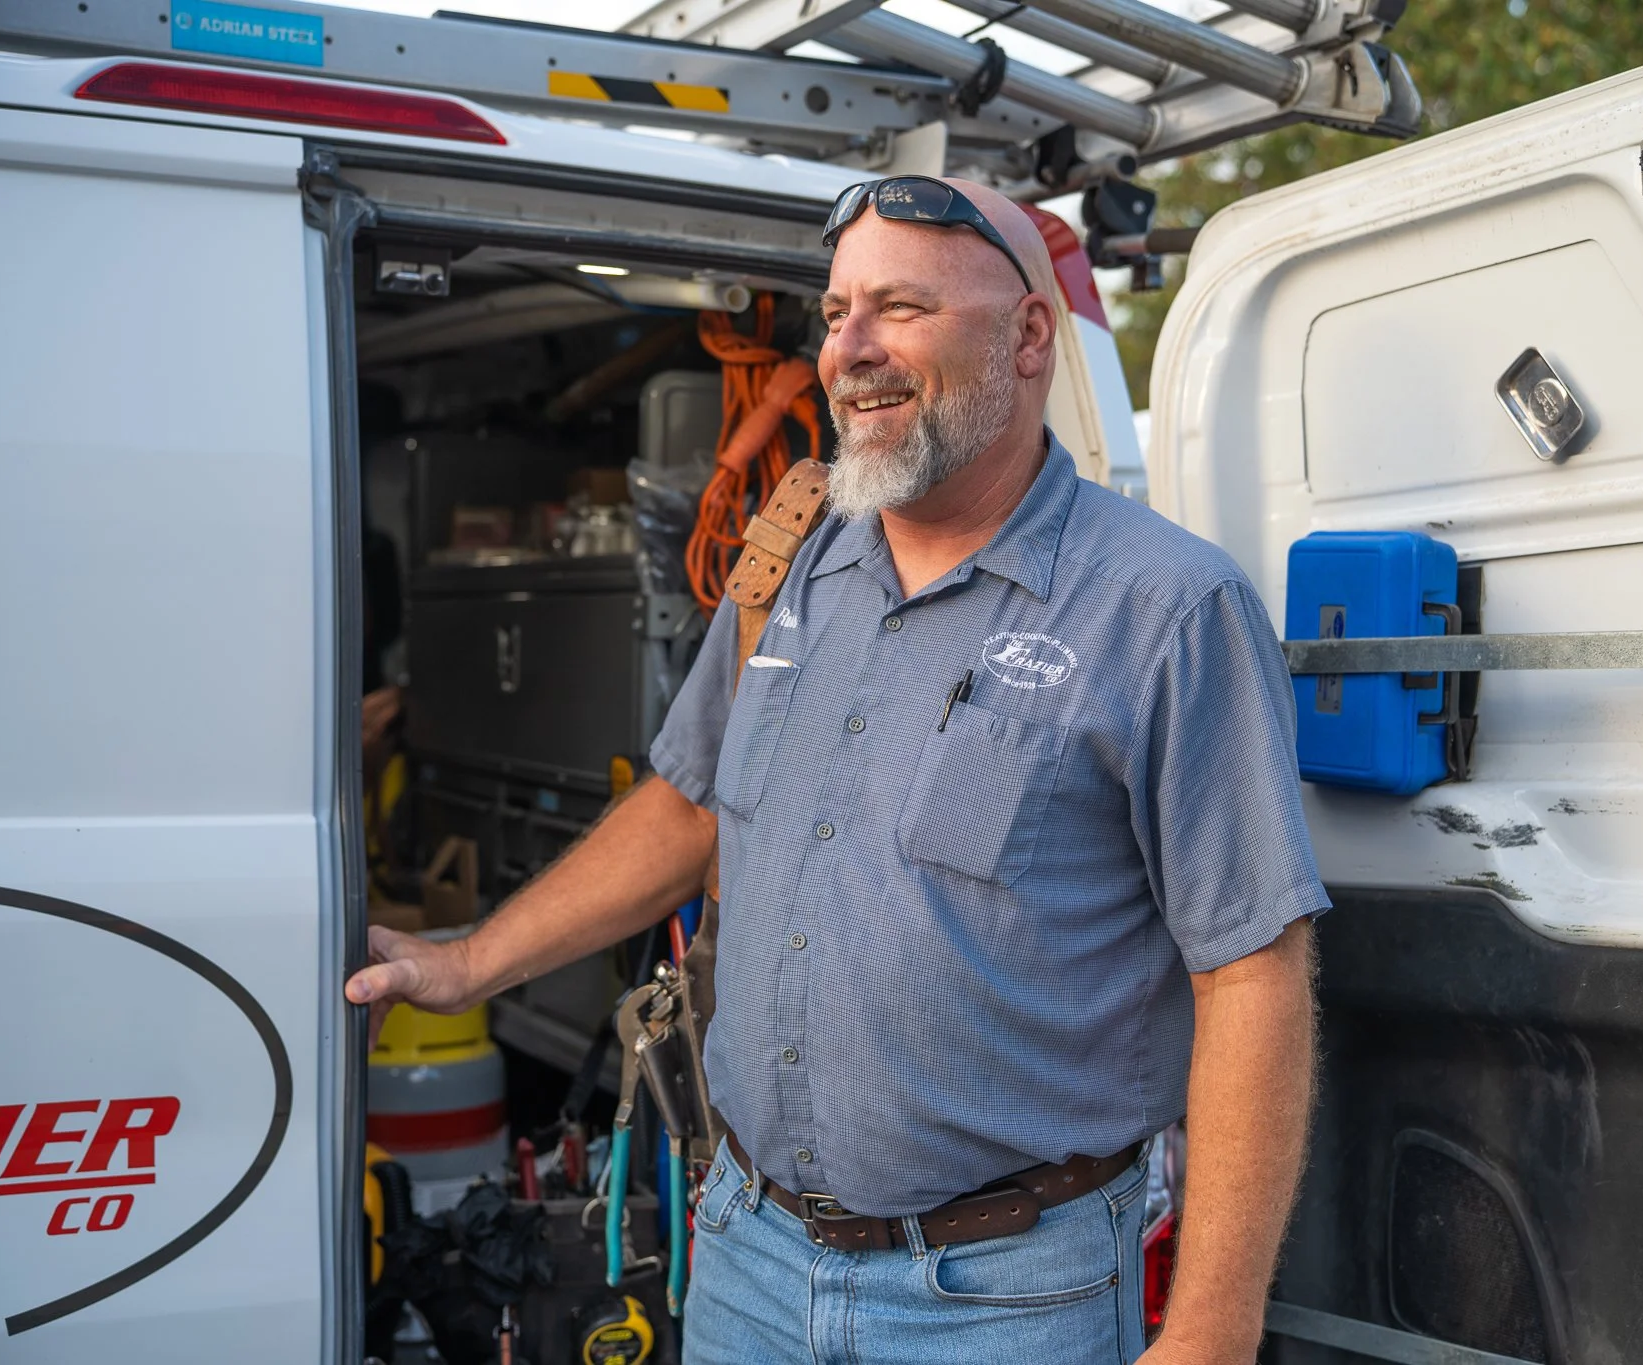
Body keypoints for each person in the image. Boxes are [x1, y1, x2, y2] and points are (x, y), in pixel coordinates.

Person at [346, 176, 1328, 1363]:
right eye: (833, 313)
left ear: (1026, 337)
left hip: (1003, 1296)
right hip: (749, 1256)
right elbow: (687, 805)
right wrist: (466, 963)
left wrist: (1214, 1326)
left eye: (899, 309)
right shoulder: (798, 571)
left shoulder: (1165, 611)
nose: (847, 351)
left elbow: (1251, 977)